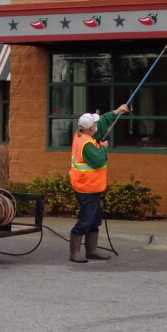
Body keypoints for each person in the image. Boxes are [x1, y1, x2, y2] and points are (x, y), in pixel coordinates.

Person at [68, 104, 131, 263]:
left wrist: (116, 112)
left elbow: (102, 122)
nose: (97, 126)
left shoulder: (82, 136)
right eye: (94, 125)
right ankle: (75, 253)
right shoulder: (88, 144)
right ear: (90, 129)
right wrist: (103, 148)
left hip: (91, 187)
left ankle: (92, 250)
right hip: (86, 188)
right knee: (86, 219)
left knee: (94, 220)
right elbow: (99, 161)